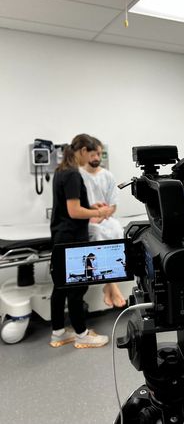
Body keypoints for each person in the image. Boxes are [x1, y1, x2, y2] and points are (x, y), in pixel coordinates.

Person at [50, 134, 111, 348]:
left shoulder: (61, 171)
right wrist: (101, 211)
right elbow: (74, 212)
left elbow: (71, 207)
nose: (94, 157)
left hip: (60, 236)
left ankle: (58, 332)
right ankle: (82, 334)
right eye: (93, 153)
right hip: (73, 238)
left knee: (60, 287)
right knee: (77, 287)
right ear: (83, 150)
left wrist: (92, 207)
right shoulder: (74, 174)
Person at [80, 138, 126, 308]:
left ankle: (109, 285)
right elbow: (78, 207)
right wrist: (92, 215)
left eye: (99, 153)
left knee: (117, 230)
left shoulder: (107, 176)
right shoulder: (78, 175)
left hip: (105, 217)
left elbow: (113, 204)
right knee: (98, 234)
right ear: (85, 154)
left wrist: (103, 214)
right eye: (93, 154)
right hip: (87, 221)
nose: (96, 157)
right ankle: (113, 286)